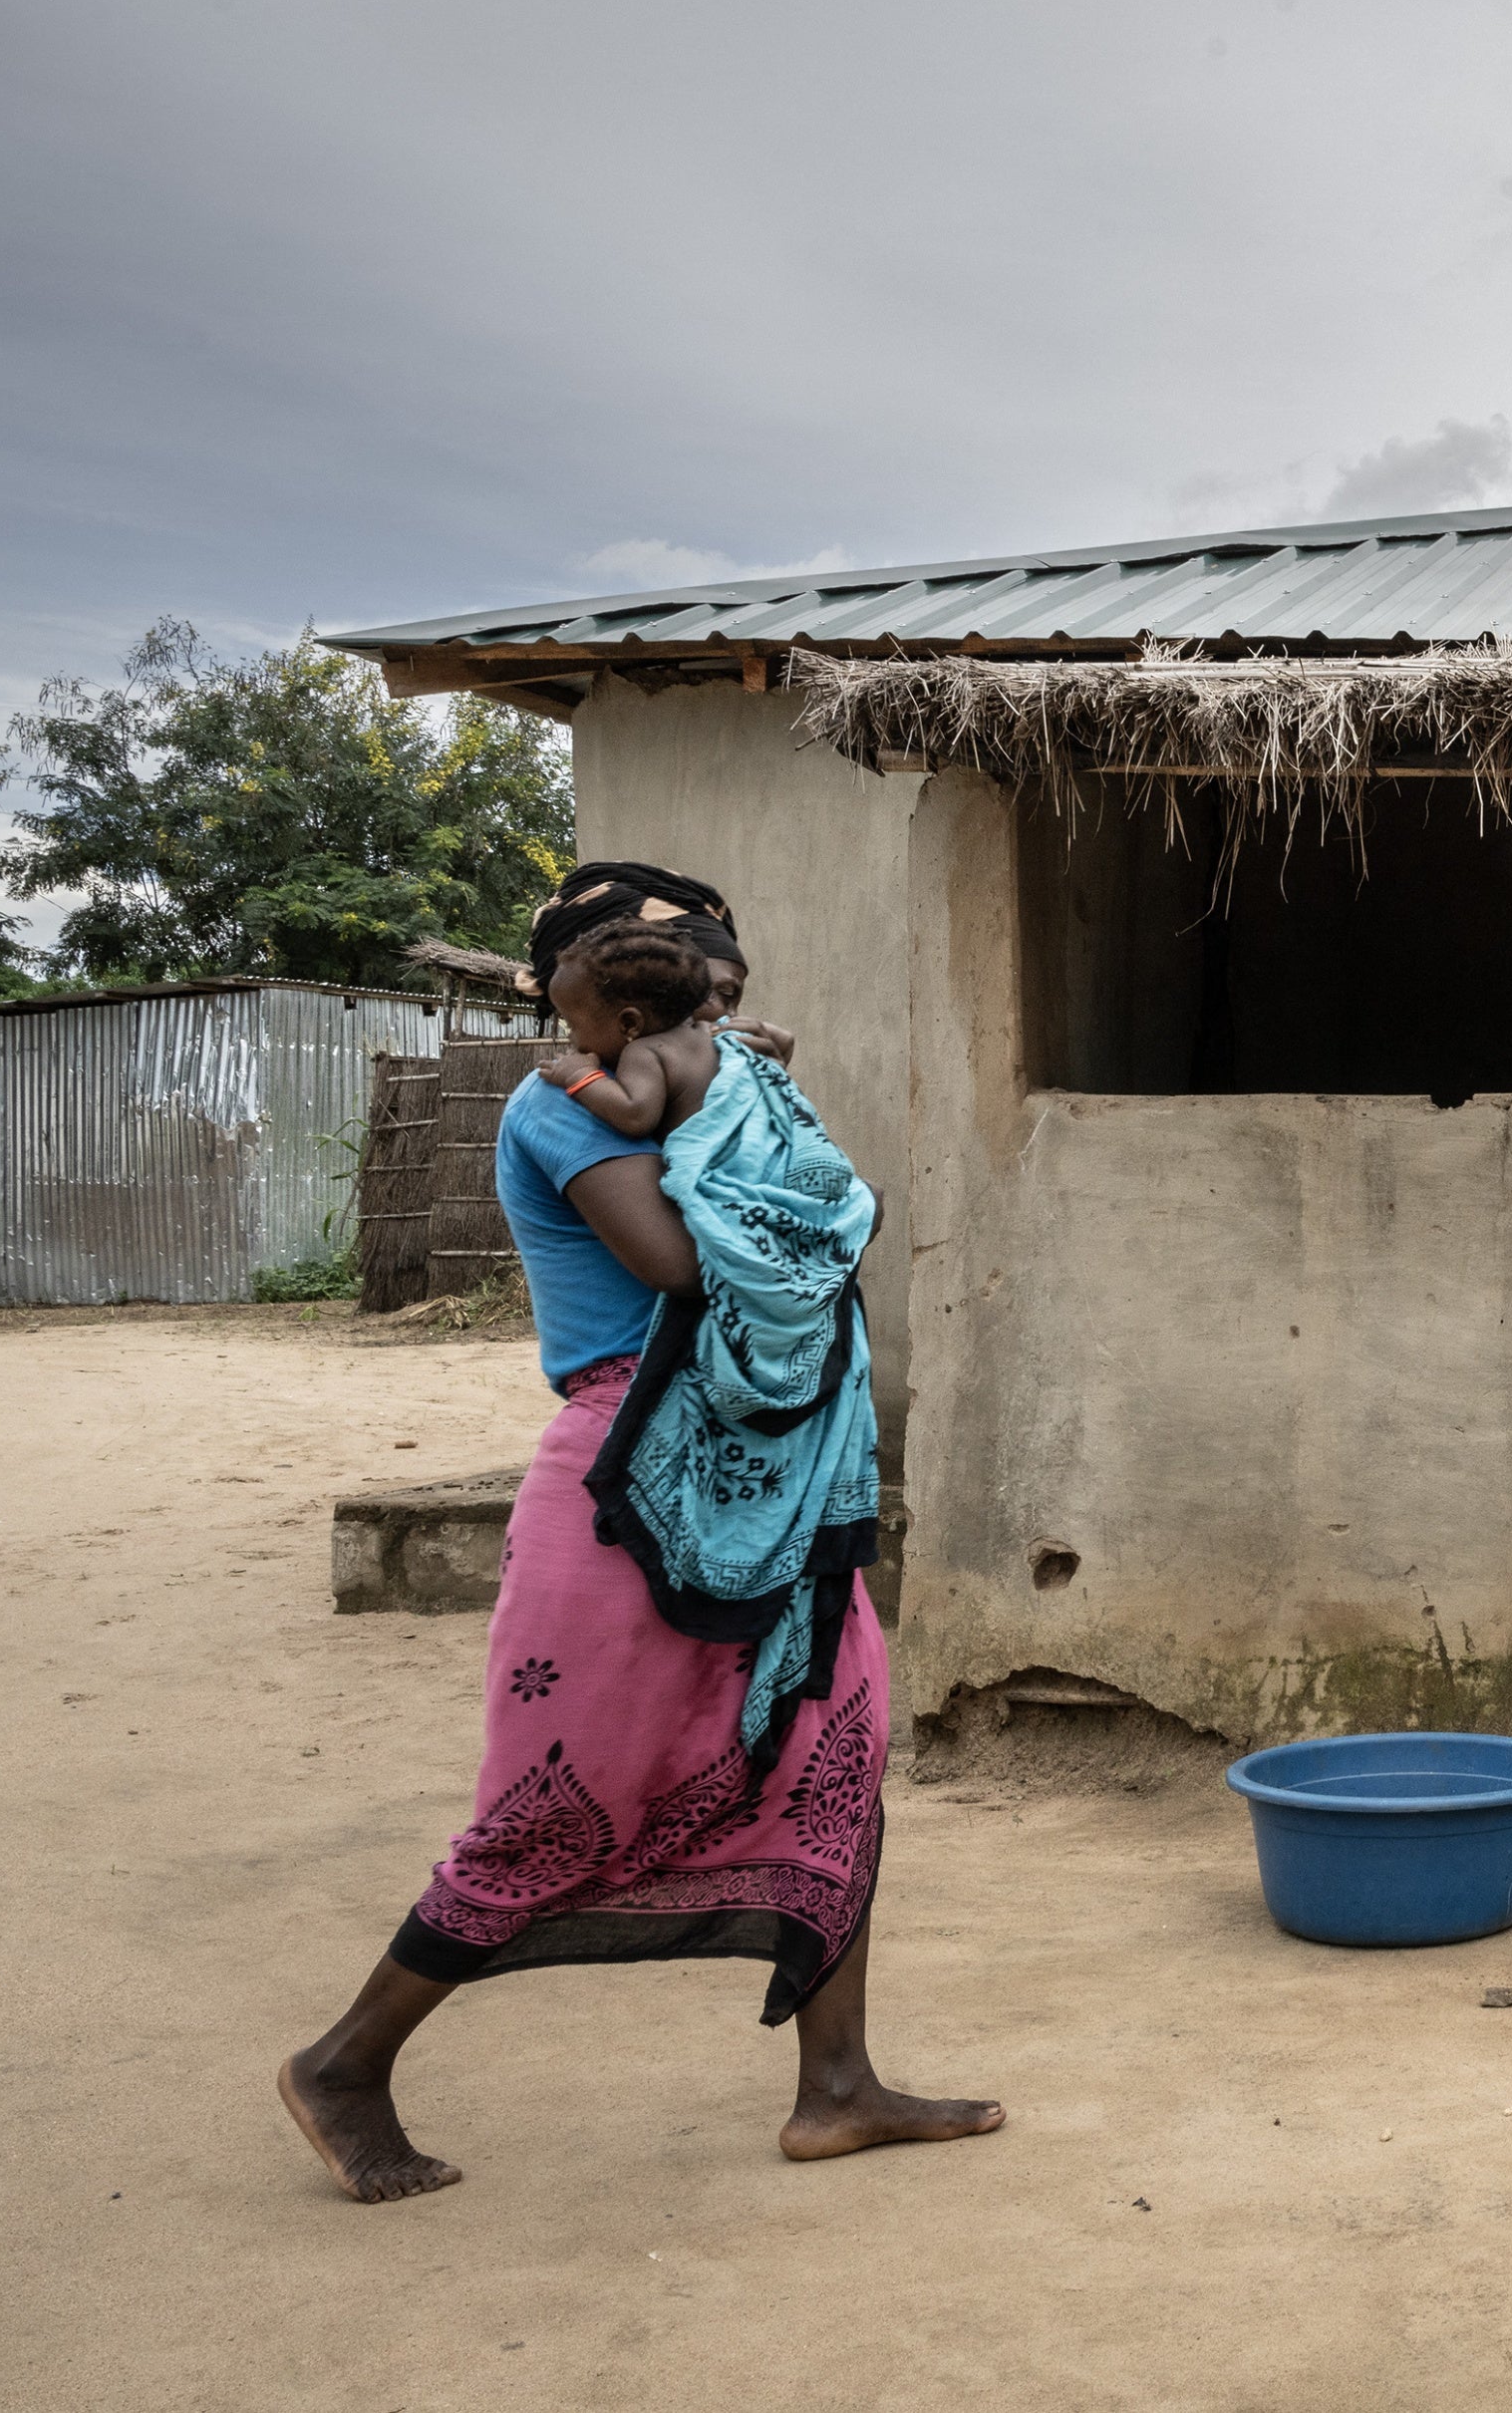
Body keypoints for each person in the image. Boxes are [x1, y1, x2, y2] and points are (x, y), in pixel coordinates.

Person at [278, 862, 999, 2204]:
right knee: (560, 1789)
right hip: (629, 1473)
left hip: (785, 1465)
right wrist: (727, 1093)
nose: (694, 996)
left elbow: (804, 1205)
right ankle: (345, 2060)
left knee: (833, 1747)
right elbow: (678, 1258)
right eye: (654, 976)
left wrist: (739, 1092)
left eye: (707, 977)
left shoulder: (715, 1084)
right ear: (580, 998)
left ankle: (836, 2084)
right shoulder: (557, 1107)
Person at [537, 924, 725, 1141]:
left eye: (572, 1025)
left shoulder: (645, 1052)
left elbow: (635, 1116)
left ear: (629, 1024)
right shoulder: (711, 1034)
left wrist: (579, 1076)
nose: (570, 1038)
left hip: (704, 1171)